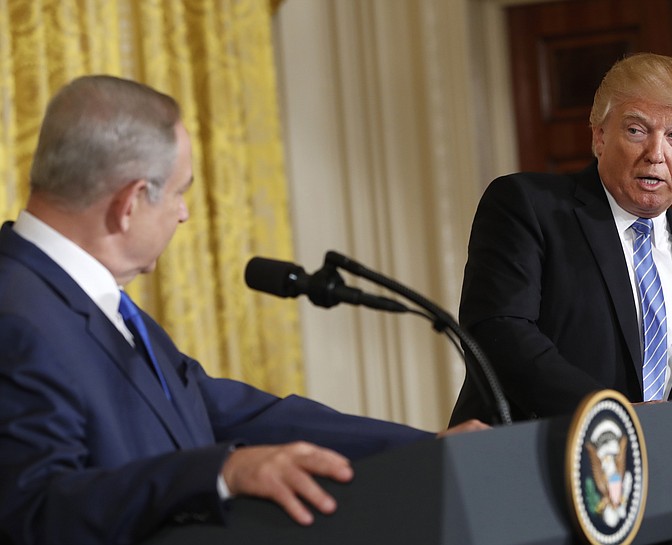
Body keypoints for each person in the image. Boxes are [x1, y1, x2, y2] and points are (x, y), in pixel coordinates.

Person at [0, 75, 486, 545]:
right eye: (179, 191)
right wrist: (221, 472)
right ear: (129, 203)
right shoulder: (16, 316)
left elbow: (220, 409)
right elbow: (36, 511)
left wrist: (421, 449)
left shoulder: (88, 296)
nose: (184, 212)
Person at [450, 53, 672, 432]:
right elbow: (498, 332)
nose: (656, 153)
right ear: (599, 136)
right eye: (636, 130)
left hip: (651, 480)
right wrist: (613, 414)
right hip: (531, 463)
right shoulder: (530, 206)